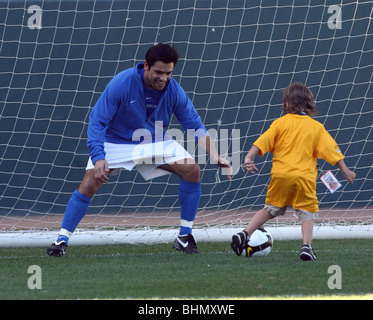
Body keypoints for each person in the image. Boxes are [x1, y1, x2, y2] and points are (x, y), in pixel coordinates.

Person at [47, 43, 232, 257]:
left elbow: (194, 124)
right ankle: (61, 239)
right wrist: (98, 158)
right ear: (146, 66)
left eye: (169, 73)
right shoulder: (122, 83)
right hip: (116, 142)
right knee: (89, 182)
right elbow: (97, 121)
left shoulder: (174, 90)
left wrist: (215, 155)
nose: (163, 78)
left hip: (155, 141)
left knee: (192, 170)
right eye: (159, 72)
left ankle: (184, 237)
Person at [231, 82, 355, 261]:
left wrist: (249, 158)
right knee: (307, 213)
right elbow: (331, 149)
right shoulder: (316, 127)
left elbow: (263, 141)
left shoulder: (279, 123)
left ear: (286, 104)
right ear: (309, 105)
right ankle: (306, 247)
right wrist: (345, 170)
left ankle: (245, 233)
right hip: (304, 178)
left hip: (280, 176)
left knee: (269, 209)